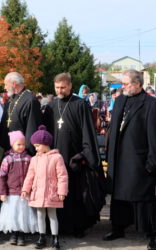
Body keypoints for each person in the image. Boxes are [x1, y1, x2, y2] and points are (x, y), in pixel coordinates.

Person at [104, 69, 156, 250]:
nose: (122, 87)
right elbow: (114, 128)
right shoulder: (120, 99)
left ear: (138, 84)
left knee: (143, 199)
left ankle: (154, 234)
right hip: (118, 158)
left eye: (126, 83)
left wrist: (151, 164)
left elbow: (155, 136)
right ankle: (118, 227)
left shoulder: (151, 104)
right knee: (118, 196)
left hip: (138, 160)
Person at [43, 72, 105, 237]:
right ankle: (59, 226)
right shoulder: (50, 106)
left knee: (75, 192)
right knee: (57, 192)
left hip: (73, 157)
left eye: (63, 87)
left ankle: (78, 226)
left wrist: (85, 154)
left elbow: (87, 130)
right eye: (57, 87)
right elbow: (47, 132)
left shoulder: (80, 104)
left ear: (70, 86)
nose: (60, 90)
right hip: (56, 156)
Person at [21, 125, 68, 249]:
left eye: (37, 146)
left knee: (52, 215)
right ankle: (42, 237)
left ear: (45, 143)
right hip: (38, 193)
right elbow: (30, 175)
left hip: (52, 193)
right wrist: (25, 189)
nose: (35, 149)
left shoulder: (57, 158)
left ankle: (55, 238)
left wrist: (62, 191)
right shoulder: (34, 159)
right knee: (40, 215)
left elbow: (62, 176)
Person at [0, 130, 37, 246]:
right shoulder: (7, 159)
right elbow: (2, 177)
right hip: (11, 193)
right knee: (13, 214)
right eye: (18, 144)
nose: (21, 146)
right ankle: (13, 234)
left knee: (23, 215)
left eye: (23, 144)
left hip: (25, 193)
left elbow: (33, 175)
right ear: (12, 144)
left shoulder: (29, 159)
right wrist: (2, 193)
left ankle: (21, 236)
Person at [0, 72, 42, 155]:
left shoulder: (30, 100)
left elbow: (32, 129)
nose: (5, 87)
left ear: (14, 84)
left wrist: (28, 153)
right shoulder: (11, 99)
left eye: (6, 84)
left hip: (21, 152)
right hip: (7, 148)